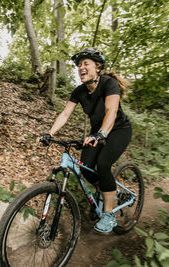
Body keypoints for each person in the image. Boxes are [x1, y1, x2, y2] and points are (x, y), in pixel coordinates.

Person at [38, 47, 132, 233]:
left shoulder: (109, 83)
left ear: (97, 67)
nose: (81, 67)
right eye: (79, 65)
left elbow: (111, 112)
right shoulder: (79, 91)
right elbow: (65, 114)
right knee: (85, 167)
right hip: (97, 132)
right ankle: (105, 191)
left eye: (85, 63)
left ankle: (108, 213)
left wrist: (102, 134)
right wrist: (50, 133)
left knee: (103, 164)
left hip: (119, 129)